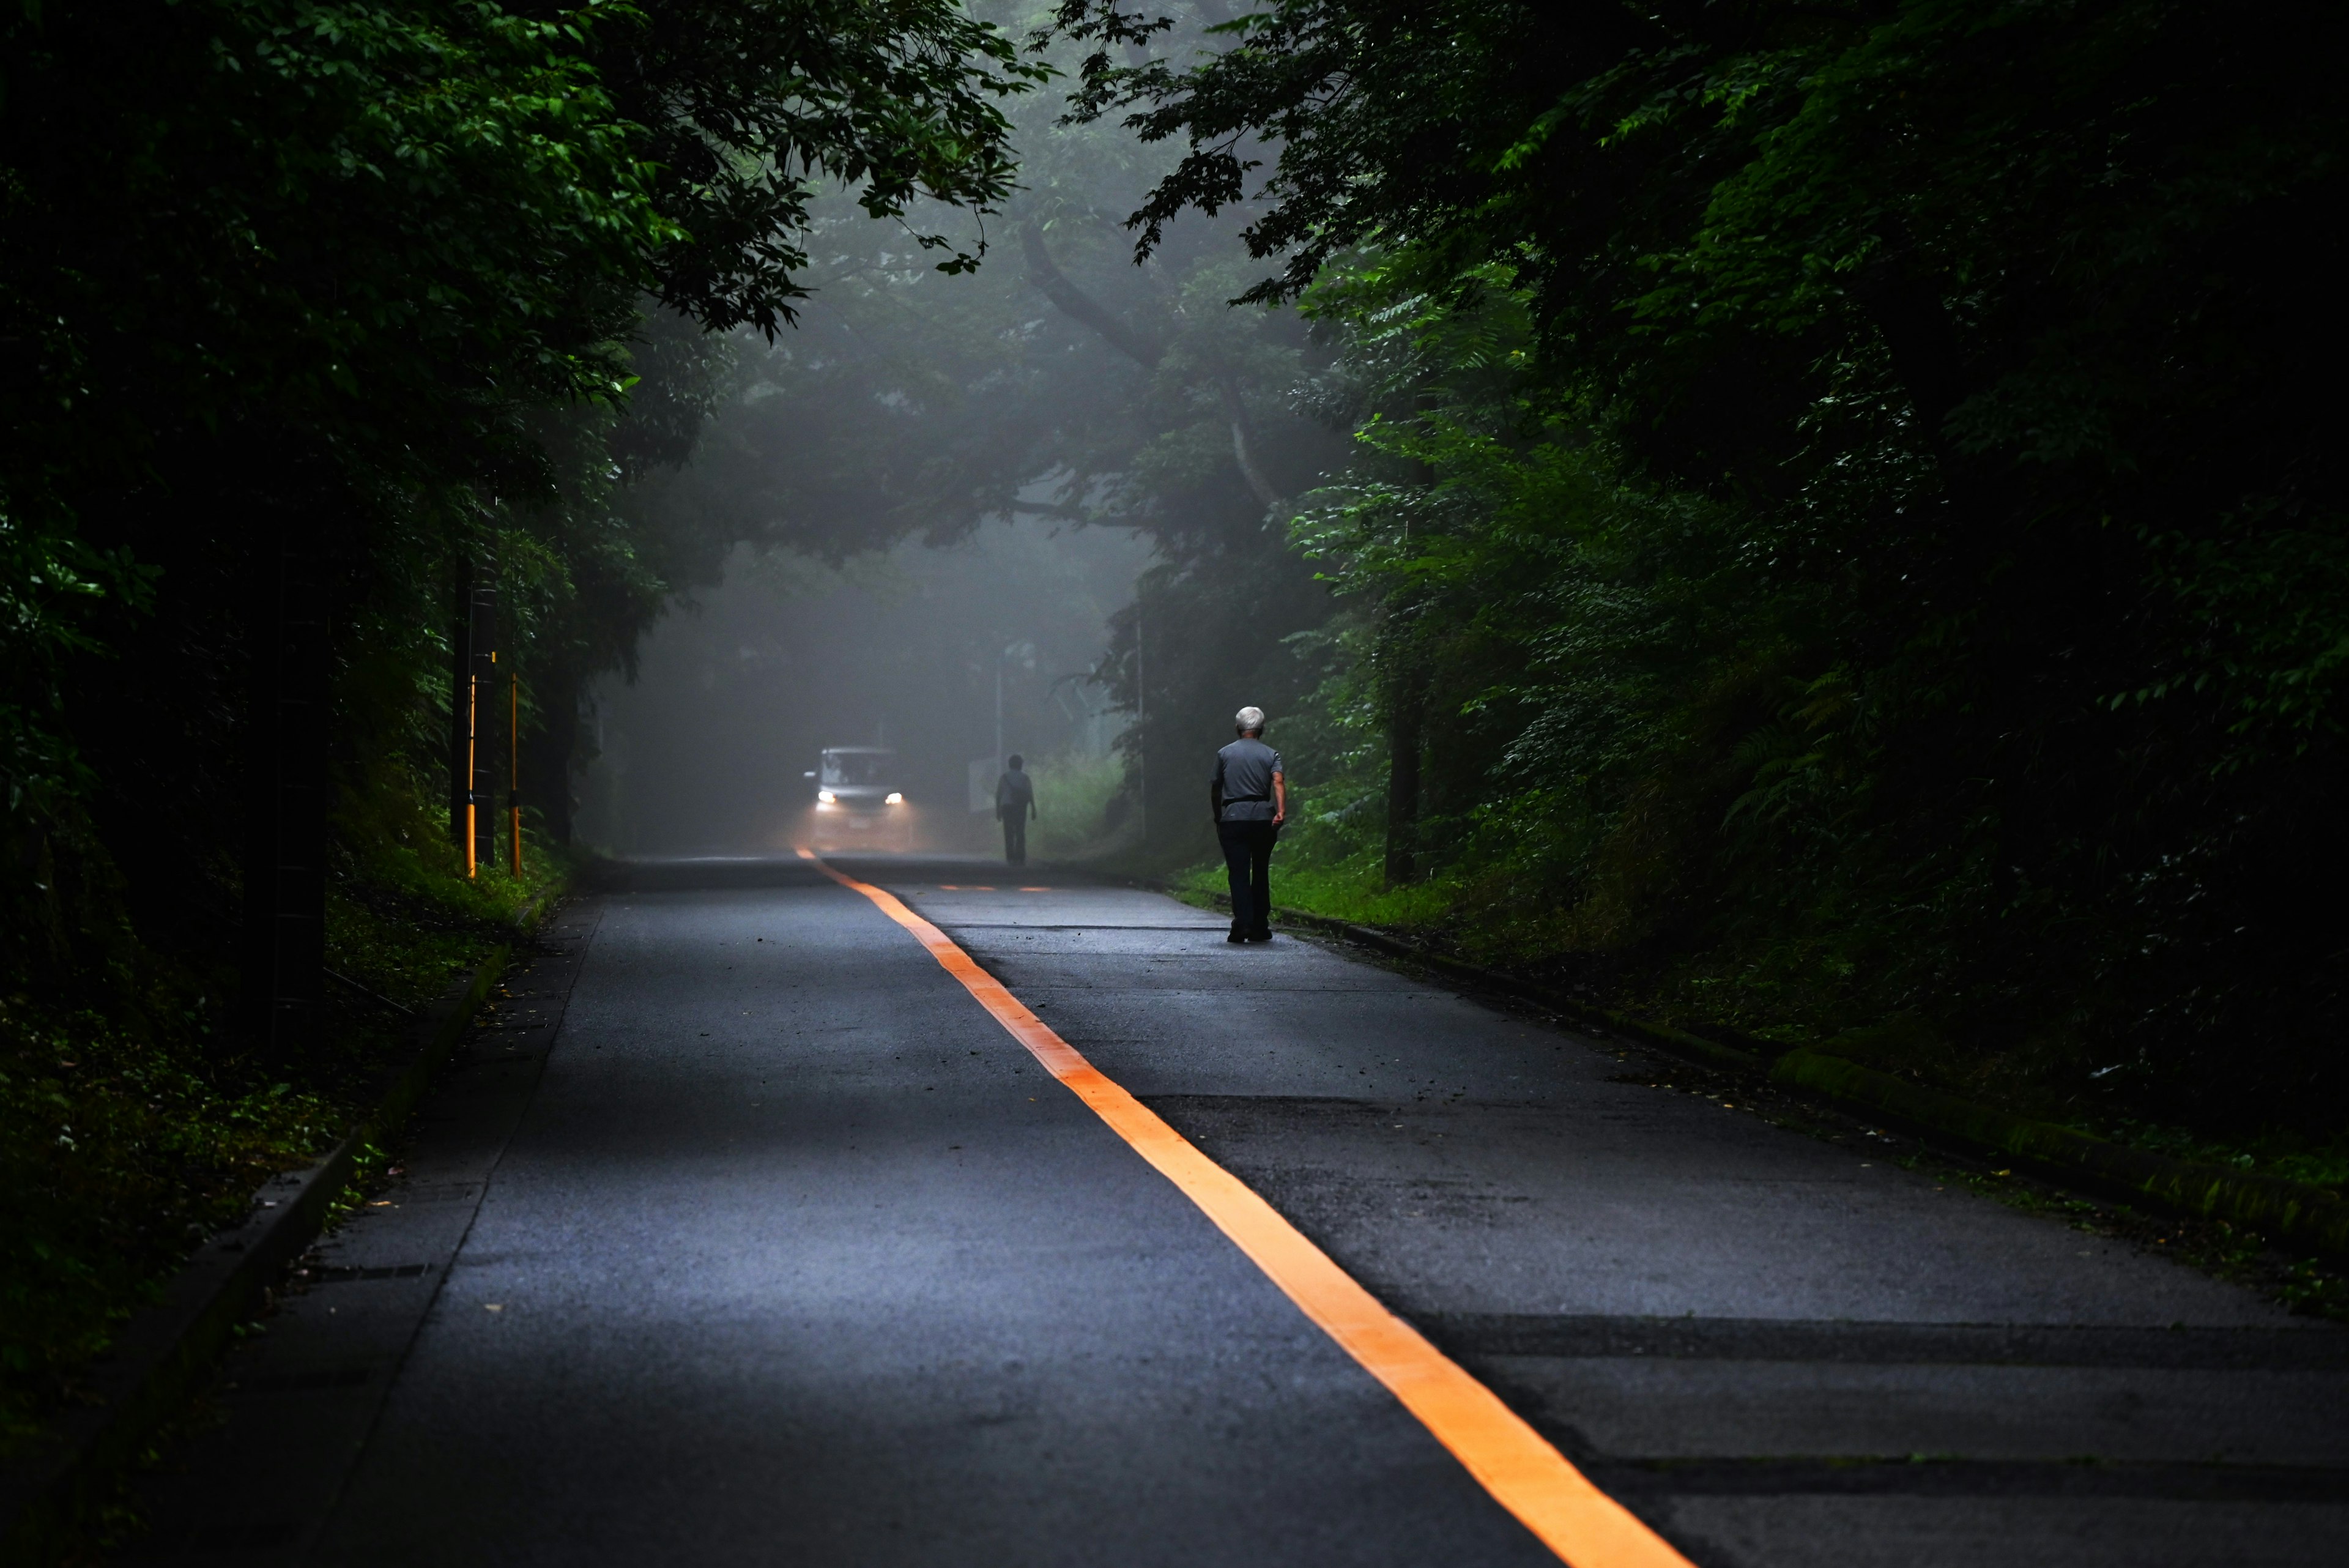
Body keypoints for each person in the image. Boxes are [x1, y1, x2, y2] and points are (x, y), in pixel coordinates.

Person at [1211, 707, 1285, 943]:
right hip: (1264, 819)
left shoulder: (1224, 754)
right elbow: (1278, 782)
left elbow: (1216, 788)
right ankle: (1260, 925)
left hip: (1233, 819)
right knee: (1261, 870)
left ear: (1237, 729)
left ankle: (1242, 923)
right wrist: (1281, 811)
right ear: (1261, 729)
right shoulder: (1271, 754)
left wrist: (1218, 816)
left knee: (1239, 873)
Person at [995, 754, 1037, 865]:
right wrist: (1033, 809)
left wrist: (998, 811)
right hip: (1020, 806)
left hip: (1007, 807)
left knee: (1008, 833)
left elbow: (999, 795)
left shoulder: (1004, 777)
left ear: (1009, 765)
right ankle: (1020, 857)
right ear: (1020, 765)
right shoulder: (1025, 777)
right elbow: (1030, 794)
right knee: (1020, 832)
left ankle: (1010, 857)